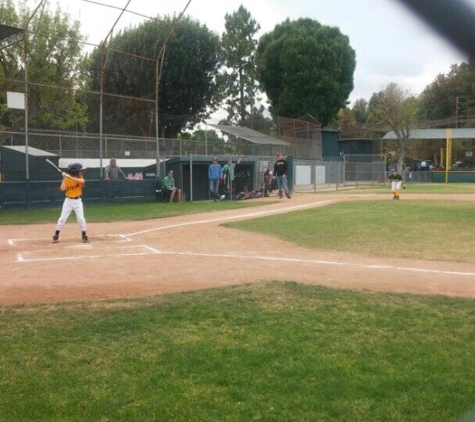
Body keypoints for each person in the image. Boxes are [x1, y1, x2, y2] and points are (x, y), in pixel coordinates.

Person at [52, 162, 89, 243]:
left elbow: (82, 181)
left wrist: (70, 178)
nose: (81, 172)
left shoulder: (80, 177)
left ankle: (84, 235)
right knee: (62, 219)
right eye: (79, 171)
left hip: (78, 201)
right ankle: (56, 235)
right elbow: (62, 189)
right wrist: (64, 178)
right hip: (68, 202)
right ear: (74, 171)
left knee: (81, 219)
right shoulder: (66, 179)